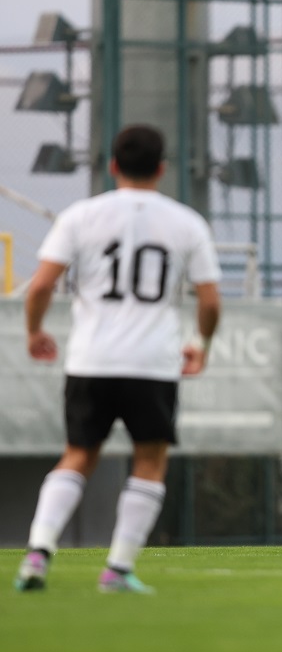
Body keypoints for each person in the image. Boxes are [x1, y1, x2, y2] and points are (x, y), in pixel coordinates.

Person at [13, 124, 222, 594]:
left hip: (91, 359)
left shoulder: (81, 216)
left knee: (78, 454)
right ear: (162, 169)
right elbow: (210, 301)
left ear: (112, 166)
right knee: (149, 460)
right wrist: (202, 344)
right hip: (151, 362)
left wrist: (34, 331)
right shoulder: (186, 222)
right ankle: (118, 569)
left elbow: (42, 284)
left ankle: (37, 554)